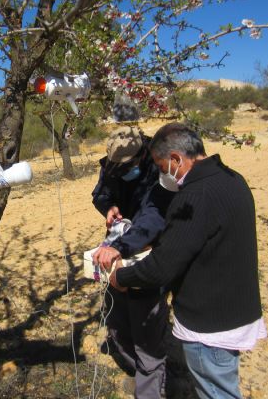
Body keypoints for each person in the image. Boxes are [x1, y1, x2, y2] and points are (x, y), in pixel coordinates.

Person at [110, 123, 267, 399]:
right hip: (234, 310)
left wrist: (121, 277)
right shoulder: (232, 179)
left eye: (162, 167)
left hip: (210, 325)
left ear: (175, 159)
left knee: (217, 392)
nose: (162, 174)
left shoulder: (194, 196)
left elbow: (162, 267)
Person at [91, 126, 174, 399]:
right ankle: (136, 369)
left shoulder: (158, 170)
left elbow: (153, 217)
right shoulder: (112, 165)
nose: (124, 171)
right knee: (117, 319)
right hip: (117, 250)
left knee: (146, 322)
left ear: (142, 155)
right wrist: (109, 208)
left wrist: (119, 247)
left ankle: (153, 384)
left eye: (129, 166)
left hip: (147, 252)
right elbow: (100, 194)